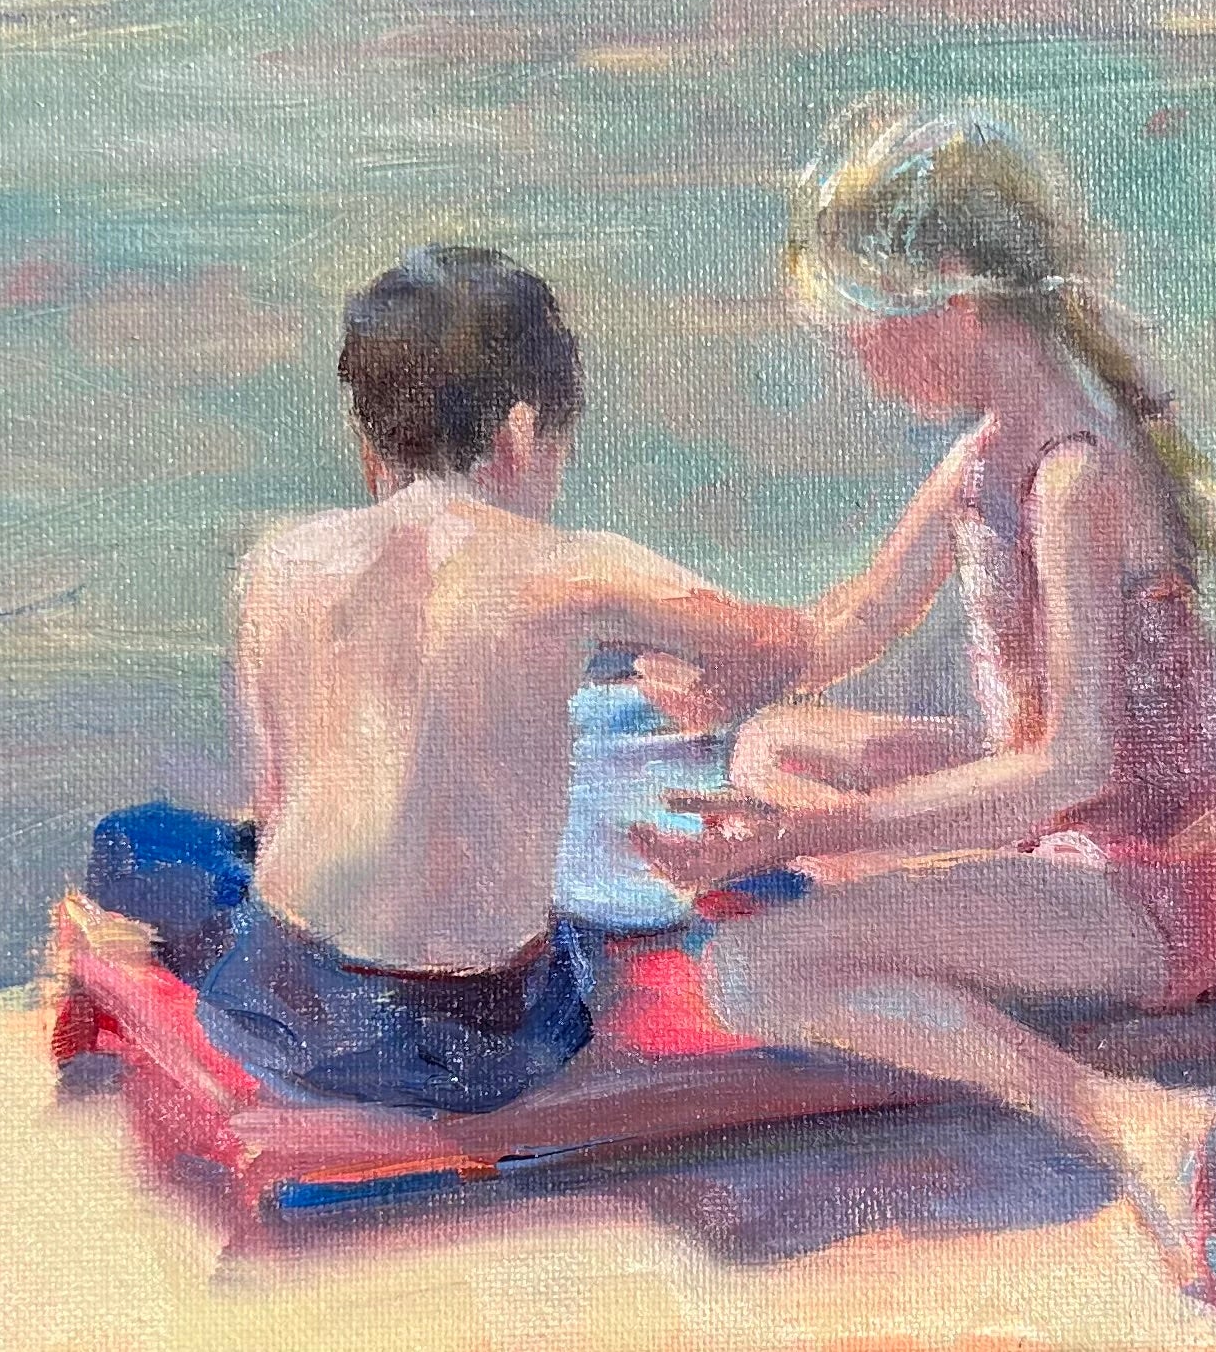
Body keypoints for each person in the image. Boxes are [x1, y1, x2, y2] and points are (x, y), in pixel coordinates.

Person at [632, 107, 1216, 1313]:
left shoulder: (1073, 477)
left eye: (866, 329)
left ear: (955, 300)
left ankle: (1126, 1116)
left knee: (747, 975)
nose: (861, 362)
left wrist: (806, 838)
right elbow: (845, 628)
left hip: (1141, 892)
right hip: (1048, 830)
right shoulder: (985, 454)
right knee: (771, 743)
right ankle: (933, 910)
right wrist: (728, 676)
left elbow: (1071, 765)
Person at [89, 244, 810, 1115]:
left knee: (136, 840)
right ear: (519, 434)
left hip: (279, 1015)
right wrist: (717, 691)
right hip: (486, 1047)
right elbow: (790, 644)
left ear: (371, 443)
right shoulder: (570, 568)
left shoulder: (280, 563)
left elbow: (275, 808)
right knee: (625, 914)